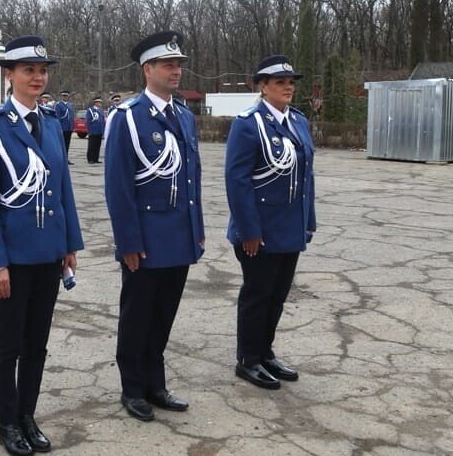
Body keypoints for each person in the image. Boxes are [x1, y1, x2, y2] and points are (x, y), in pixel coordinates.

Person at [0, 35, 84, 456]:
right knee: (9, 345)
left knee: (37, 343)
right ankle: (6, 422)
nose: (37, 78)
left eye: (41, 71)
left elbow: (63, 189)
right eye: (28, 71)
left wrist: (69, 244)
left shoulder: (52, 123)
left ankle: (27, 415)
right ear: (9, 75)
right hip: (13, 257)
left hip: (48, 253)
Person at [104, 31, 205, 422]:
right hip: (146, 238)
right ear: (148, 70)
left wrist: (196, 229)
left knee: (163, 315)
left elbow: (192, 179)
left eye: (178, 65)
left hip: (178, 235)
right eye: (168, 65)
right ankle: (133, 388)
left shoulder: (184, 116)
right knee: (138, 316)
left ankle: (155, 384)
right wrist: (127, 241)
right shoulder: (128, 117)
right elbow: (118, 186)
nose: (176, 71)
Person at [225, 55, 316, 390]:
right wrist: (248, 230)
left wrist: (309, 219)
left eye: (291, 82)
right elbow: (237, 182)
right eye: (280, 82)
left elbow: (306, 176)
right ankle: (248, 359)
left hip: (290, 227)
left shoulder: (298, 121)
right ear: (262, 86)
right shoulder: (248, 124)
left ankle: (265, 352)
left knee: (277, 295)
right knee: (257, 294)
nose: (288, 87)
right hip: (260, 230)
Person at [54, 90, 74, 161]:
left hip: (69, 127)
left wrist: (72, 127)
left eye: (66, 96)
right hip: (62, 127)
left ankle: (66, 158)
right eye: (64, 96)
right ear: (61, 96)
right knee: (61, 144)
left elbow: (71, 116)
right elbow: (58, 117)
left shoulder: (70, 105)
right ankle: (61, 159)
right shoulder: (59, 105)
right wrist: (58, 127)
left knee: (67, 144)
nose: (65, 97)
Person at [85, 97, 105, 164]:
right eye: (99, 102)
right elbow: (88, 121)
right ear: (95, 103)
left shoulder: (100, 110)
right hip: (93, 131)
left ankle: (96, 158)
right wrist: (89, 130)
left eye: (100, 102)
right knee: (91, 145)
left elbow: (102, 121)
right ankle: (90, 159)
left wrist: (103, 130)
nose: (100, 104)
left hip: (99, 130)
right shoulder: (90, 110)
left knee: (97, 145)